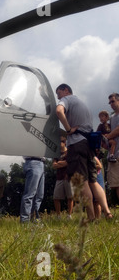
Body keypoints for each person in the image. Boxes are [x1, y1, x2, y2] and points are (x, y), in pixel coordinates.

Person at [55, 84, 113, 220]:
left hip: (76, 144)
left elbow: (58, 111)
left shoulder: (67, 100)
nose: (58, 97)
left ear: (66, 90)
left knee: (82, 181)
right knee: (93, 181)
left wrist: (68, 129)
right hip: (89, 145)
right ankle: (107, 212)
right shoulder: (82, 104)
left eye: (58, 93)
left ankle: (92, 217)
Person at [52, 133, 73, 218]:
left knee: (70, 197)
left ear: (65, 142)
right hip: (59, 178)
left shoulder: (69, 152)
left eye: (61, 141)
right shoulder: (56, 154)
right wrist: (62, 163)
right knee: (56, 197)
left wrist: (59, 163)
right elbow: (53, 165)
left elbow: (68, 163)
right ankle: (58, 215)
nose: (59, 143)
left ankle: (69, 215)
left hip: (68, 177)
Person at [20, 156, 45, 223]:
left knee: (39, 195)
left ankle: (35, 220)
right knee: (29, 195)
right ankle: (25, 222)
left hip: (40, 162)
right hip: (33, 162)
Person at [104, 93, 119, 205]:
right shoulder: (112, 117)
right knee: (116, 184)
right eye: (109, 102)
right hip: (115, 154)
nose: (111, 104)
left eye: (113, 101)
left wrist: (108, 137)